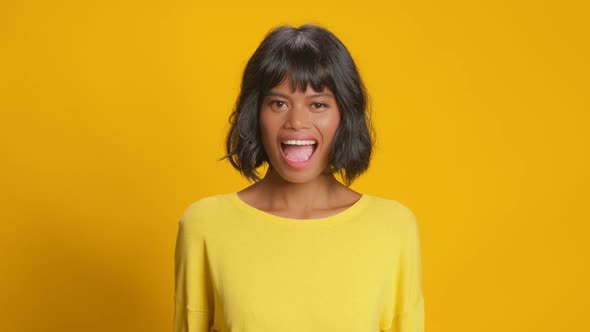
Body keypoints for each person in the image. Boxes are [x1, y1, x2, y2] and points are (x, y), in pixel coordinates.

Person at [173, 24, 425, 332]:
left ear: (343, 115)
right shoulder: (204, 225)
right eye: (278, 103)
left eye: (318, 104)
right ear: (256, 113)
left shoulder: (393, 227)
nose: (296, 122)